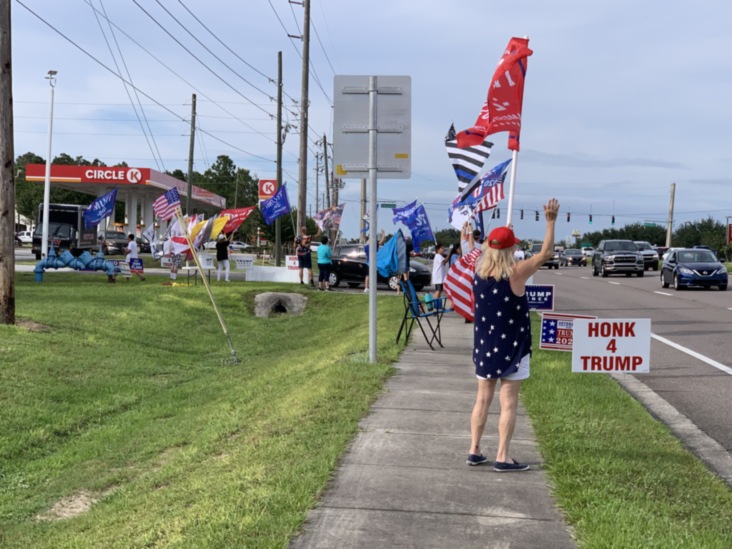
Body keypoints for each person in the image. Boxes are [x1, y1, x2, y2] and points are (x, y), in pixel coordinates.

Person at [467, 198, 559, 472]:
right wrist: (550, 221)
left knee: (482, 399)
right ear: (511, 249)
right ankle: (503, 456)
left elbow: (491, 248)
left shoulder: (478, 272)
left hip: (485, 347)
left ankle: (474, 450)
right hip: (513, 349)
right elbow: (546, 253)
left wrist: (502, 236)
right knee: (508, 402)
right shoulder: (516, 273)